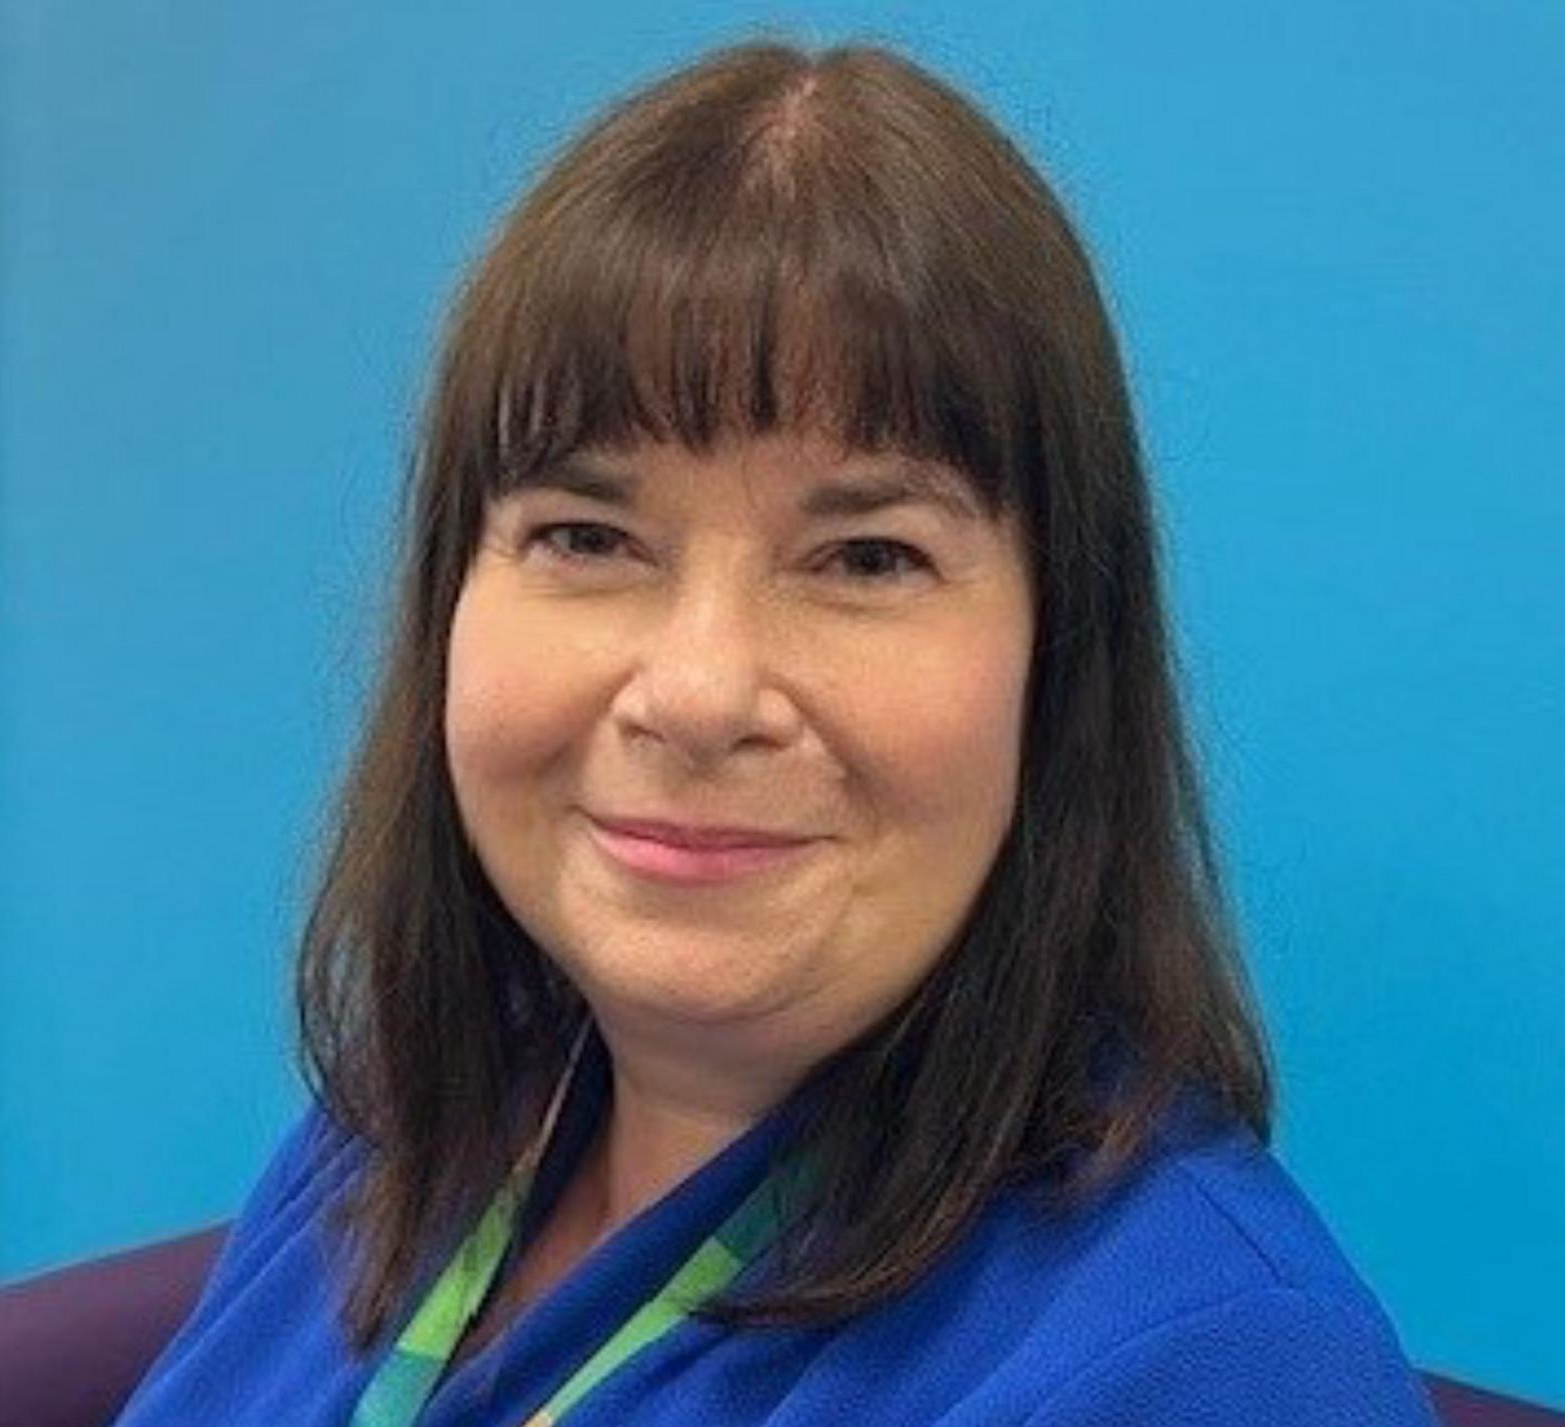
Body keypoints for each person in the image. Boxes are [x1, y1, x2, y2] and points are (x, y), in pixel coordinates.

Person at [114, 40, 1438, 1427]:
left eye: (867, 559)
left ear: (1060, 658)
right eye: (587, 535)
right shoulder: (417, 1118)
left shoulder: (1215, 1373)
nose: (696, 693)